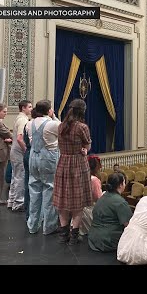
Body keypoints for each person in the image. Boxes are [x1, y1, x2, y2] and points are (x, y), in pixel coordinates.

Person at [53, 99, 92, 245]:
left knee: (63, 201)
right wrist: (84, 149)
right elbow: (87, 144)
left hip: (63, 163)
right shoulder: (82, 127)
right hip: (78, 164)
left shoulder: (61, 126)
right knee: (78, 202)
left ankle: (63, 235)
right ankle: (74, 236)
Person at [27, 100, 60, 235]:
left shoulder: (30, 123)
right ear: (49, 110)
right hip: (48, 158)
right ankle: (49, 226)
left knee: (34, 190)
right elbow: (63, 128)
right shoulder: (52, 124)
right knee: (49, 190)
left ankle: (33, 225)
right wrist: (53, 116)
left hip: (33, 157)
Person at [88, 172, 132, 252]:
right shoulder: (120, 202)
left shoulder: (102, 197)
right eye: (124, 182)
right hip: (108, 241)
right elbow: (128, 225)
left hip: (93, 238)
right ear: (120, 185)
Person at [8, 100, 32, 211]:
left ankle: (12, 201)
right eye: (29, 107)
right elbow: (19, 138)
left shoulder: (19, 118)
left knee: (15, 176)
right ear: (23, 108)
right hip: (18, 152)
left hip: (14, 151)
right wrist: (26, 150)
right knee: (20, 177)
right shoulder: (23, 120)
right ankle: (18, 203)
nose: (31, 109)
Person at [80, 155, 104, 236]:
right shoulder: (94, 180)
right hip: (89, 212)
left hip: (80, 210)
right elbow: (98, 198)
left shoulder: (81, 176)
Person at [23, 109, 37, 220]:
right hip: (36, 154)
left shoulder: (27, 124)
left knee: (28, 183)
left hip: (28, 153)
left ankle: (28, 212)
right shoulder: (47, 124)